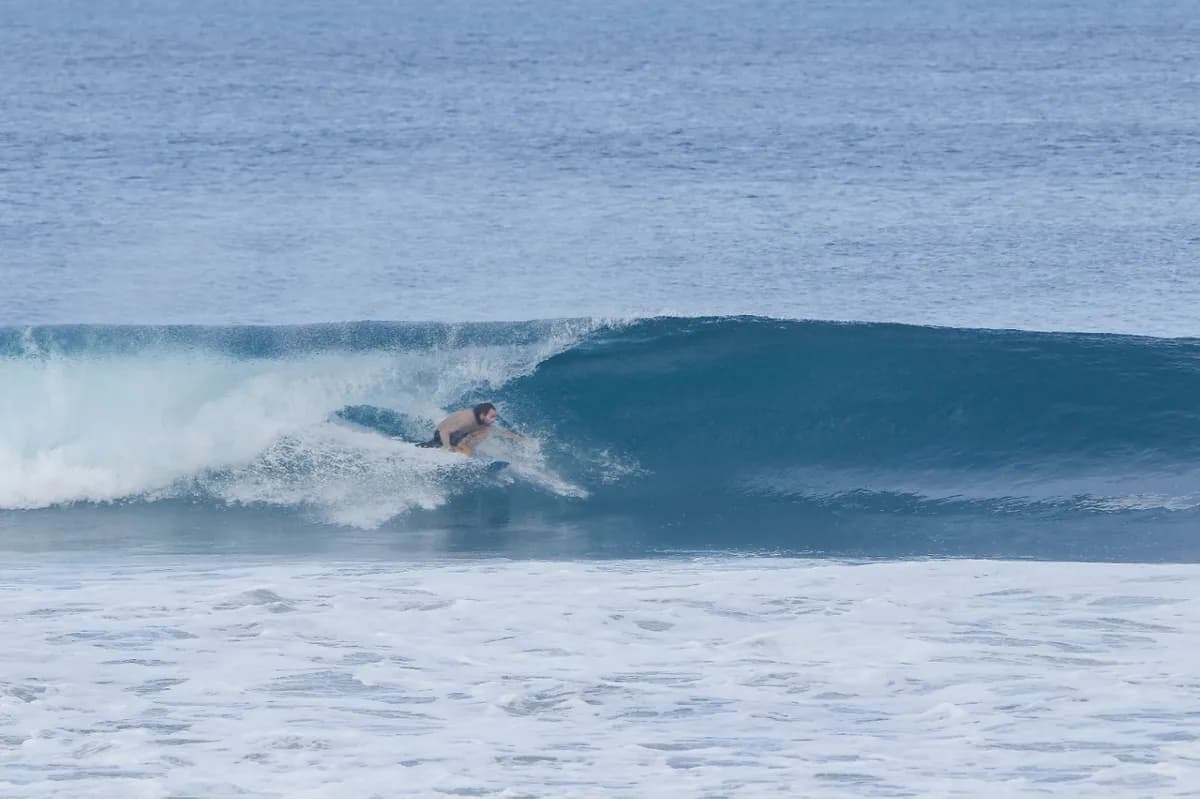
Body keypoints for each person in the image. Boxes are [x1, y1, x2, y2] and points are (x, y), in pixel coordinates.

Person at [416, 402, 526, 455]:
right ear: (483, 415)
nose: (494, 419)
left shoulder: (482, 421)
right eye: (491, 416)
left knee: (487, 430)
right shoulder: (466, 420)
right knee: (486, 431)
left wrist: (521, 439)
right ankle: (459, 449)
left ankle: (462, 449)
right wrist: (447, 448)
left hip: (458, 435)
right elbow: (444, 432)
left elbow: (500, 432)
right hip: (442, 436)